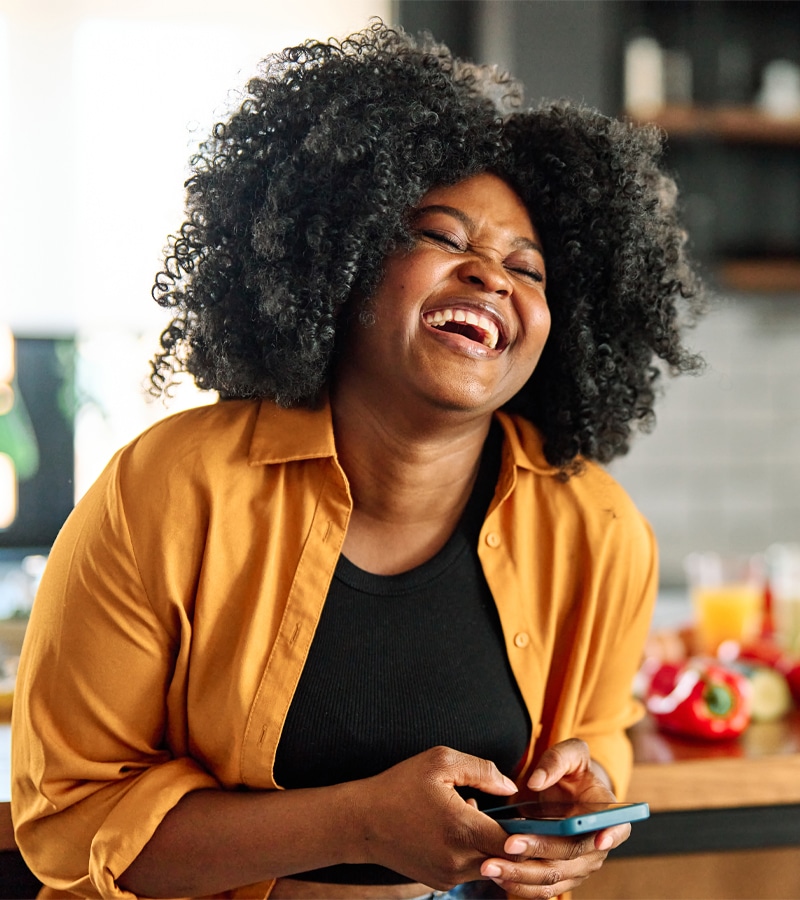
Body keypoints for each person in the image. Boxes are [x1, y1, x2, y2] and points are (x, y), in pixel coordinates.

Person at [11, 20, 704, 900]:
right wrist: (357, 822)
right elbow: (71, 823)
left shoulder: (595, 526)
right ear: (338, 264)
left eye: (527, 269)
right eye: (444, 239)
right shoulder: (169, 489)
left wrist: (576, 809)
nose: (490, 275)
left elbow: (597, 741)